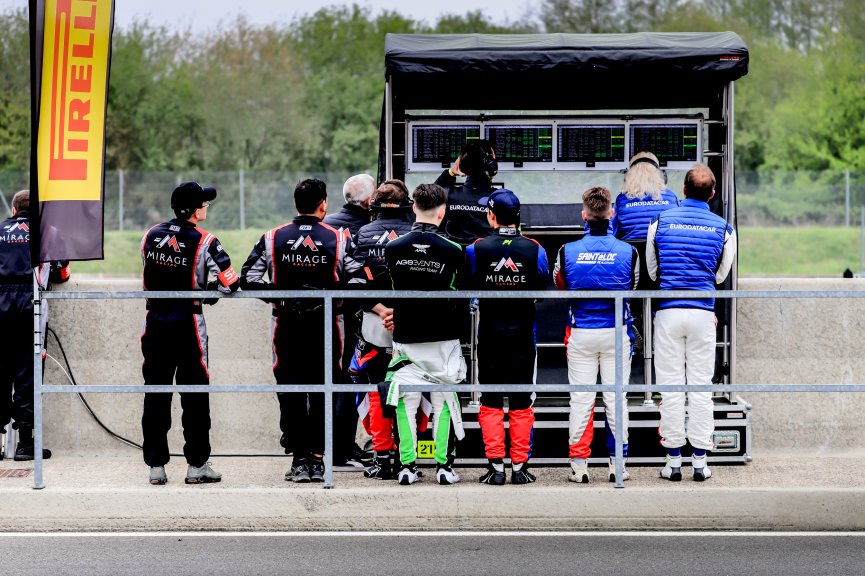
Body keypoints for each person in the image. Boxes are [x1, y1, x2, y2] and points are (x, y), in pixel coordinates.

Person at [241, 178, 357, 483]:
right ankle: (317, 459)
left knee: (290, 389)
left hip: (285, 324)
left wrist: (281, 295)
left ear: (296, 204)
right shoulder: (340, 237)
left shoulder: (272, 237)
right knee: (324, 390)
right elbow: (362, 279)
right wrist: (332, 293)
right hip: (328, 325)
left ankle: (298, 458)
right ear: (324, 205)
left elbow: (248, 277)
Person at [140, 181, 239, 485]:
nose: (206, 207)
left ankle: (156, 467)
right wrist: (207, 290)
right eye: (204, 203)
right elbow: (230, 282)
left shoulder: (150, 234)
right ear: (196, 211)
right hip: (189, 325)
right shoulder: (206, 240)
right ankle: (197, 466)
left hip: (154, 321)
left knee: (155, 394)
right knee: (195, 396)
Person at [646, 163, 736, 482]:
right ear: (712, 194)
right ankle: (700, 461)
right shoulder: (723, 227)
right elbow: (722, 275)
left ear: (683, 191)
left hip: (668, 312)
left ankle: (672, 462)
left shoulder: (661, 220)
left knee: (670, 387)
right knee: (700, 387)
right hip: (702, 313)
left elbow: (652, 269)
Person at [555, 186, 639, 483]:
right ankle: (618, 466)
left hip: (581, 332)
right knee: (617, 399)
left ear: (584, 216)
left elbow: (560, 287)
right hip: (617, 332)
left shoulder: (566, 251)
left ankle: (579, 467)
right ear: (611, 214)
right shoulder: (629, 251)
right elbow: (633, 289)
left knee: (581, 399)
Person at [384, 183, 467, 486]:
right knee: (444, 401)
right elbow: (461, 293)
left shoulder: (393, 248)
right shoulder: (455, 250)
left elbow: (390, 289)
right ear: (442, 212)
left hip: (406, 336)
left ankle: (406, 467)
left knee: (405, 402)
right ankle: (444, 467)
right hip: (444, 337)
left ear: (414, 207)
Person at [465, 188, 549, 485]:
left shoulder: (476, 248)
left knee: (488, 400)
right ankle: (519, 467)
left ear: (490, 215)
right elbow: (542, 288)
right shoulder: (535, 248)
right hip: (524, 336)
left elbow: (469, 284)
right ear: (518, 216)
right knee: (522, 401)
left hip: (488, 335)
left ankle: (496, 468)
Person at [348, 179, 415, 480]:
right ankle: (406, 459)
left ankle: (382, 457)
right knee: (410, 391)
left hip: (373, 323)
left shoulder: (361, 233)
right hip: (410, 322)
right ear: (406, 205)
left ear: (374, 206)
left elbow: (350, 280)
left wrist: (379, 309)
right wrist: (400, 312)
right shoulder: (415, 234)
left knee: (376, 391)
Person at [0, 190, 67, 461]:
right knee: (29, 374)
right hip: (31, 307)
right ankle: (26, 445)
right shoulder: (48, 232)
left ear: (14, 210)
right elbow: (62, 273)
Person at [324, 173, 376, 467]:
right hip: (356, 316)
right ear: (370, 201)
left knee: (331, 380)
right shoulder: (369, 229)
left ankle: (337, 445)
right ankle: (340, 449)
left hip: (322, 315)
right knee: (348, 379)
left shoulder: (327, 224)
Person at [435, 140, 499, 246]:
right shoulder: (499, 198)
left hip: (455, 257)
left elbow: (428, 197)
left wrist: (450, 173)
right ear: (490, 165)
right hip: (484, 257)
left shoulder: (449, 194)